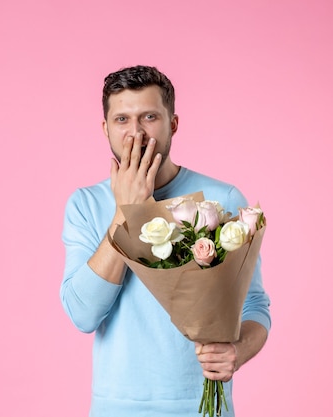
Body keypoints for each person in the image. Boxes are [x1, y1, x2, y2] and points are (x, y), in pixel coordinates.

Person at [60, 65, 271, 416]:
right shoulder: (85, 204)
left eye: (149, 117)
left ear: (173, 123)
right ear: (105, 128)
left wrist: (238, 350)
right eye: (122, 120)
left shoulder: (224, 197)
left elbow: (254, 306)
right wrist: (126, 212)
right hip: (116, 408)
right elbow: (83, 314)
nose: (135, 133)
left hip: (201, 408)